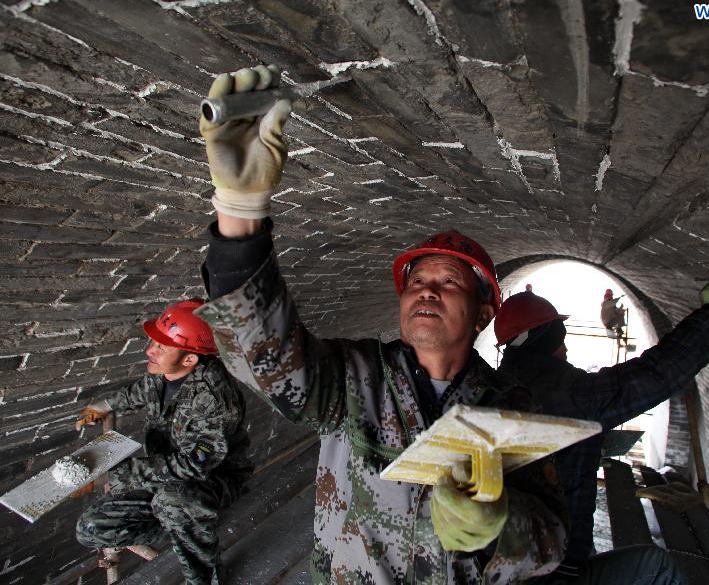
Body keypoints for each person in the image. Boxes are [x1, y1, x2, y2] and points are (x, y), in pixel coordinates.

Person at [193, 65, 568, 583]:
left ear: (485, 312)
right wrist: (240, 214)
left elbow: (553, 541)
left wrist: (498, 527)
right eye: (416, 282)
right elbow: (266, 357)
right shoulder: (354, 378)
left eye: (449, 282)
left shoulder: (511, 409)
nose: (426, 290)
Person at [495, 279, 709, 583]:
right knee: (656, 567)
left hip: (513, 563)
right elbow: (658, 373)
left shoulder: (497, 386)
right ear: (545, 340)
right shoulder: (572, 394)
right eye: (560, 338)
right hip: (553, 571)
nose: (566, 347)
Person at [73, 299, 251, 585]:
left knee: (175, 501)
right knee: (91, 529)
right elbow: (142, 390)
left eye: (161, 347)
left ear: (190, 359)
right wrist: (103, 404)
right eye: (153, 343)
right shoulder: (168, 373)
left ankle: (205, 576)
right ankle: (181, 526)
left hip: (211, 480)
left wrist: (112, 473)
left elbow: (194, 466)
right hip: (163, 475)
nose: (149, 351)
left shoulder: (215, 400)